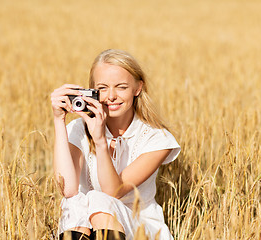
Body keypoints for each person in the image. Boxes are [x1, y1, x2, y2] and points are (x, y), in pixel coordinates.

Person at [50, 49, 180, 240]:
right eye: (102, 88)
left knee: (98, 199)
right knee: (74, 203)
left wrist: (100, 141)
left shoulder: (157, 138)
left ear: (138, 88)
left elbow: (113, 192)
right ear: (92, 91)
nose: (111, 96)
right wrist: (58, 120)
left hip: (140, 229)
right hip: (87, 227)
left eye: (121, 87)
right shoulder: (79, 129)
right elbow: (68, 189)